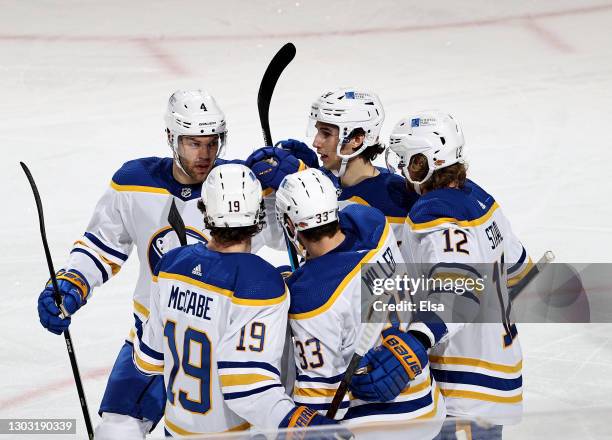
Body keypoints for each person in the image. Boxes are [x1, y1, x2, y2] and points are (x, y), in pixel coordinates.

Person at [37, 89, 233, 439]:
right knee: (116, 431)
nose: (205, 154)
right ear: (171, 138)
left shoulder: (238, 187)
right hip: (153, 336)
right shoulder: (135, 182)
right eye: (193, 143)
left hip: (224, 342)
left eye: (211, 143)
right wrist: (73, 281)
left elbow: (305, 238)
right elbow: (101, 247)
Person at [133, 163, 352, 438]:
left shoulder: (171, 264)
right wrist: (299, 423)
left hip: (176, 431)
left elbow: (149, 359)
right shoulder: (260, 282)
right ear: (259, 215)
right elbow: (247, 386)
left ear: (205, 211)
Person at [352, 111, 531, 439]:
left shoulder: (433, 211)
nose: (400, 171)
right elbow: (520, 270)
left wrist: (418, 340)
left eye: (405, 160)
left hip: (466, 382)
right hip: (495, 369)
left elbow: (457, 294)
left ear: (421, 162)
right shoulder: (479, 198)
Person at [275, 168, 445, 438]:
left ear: (291, 225)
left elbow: (320, 401)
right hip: (426, 408)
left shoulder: (310, 297)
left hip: (374, 429)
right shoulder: (373, 225)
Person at [246, 88, 418, 245]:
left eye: (326, 133)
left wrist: (309, 190)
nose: (315, 142)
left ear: (357, 139)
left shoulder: (394, 198)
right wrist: (276, 193)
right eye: (318, 131)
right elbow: (278, 238)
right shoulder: (328, 179)